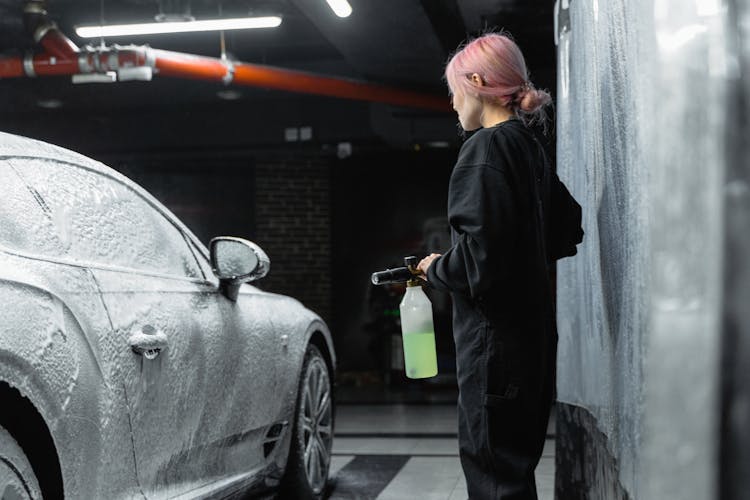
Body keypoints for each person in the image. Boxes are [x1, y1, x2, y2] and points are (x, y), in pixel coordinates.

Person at [416, 32, 583, 500]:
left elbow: (478, 260)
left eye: (454, 91)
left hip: (494, 348)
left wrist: (434, 268)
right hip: (532, 343)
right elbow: (568, 227)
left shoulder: (485, 149)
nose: (452, 104)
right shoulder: (528, 148)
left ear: (475, 82)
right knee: (513, 472)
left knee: (492, 476)